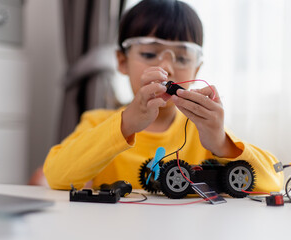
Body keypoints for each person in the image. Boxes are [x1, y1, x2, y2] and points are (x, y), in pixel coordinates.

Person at [43, 0, 283, 193]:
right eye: (149, 53)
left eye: (181, 58)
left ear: (196, 70)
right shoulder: (97, 122)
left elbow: (275, 180)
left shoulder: (205, 132)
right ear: (122, 61)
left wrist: (220, 143)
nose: (167, 67)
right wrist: (125, 124)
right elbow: (55, 175)